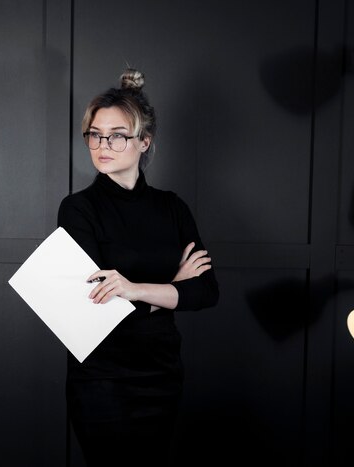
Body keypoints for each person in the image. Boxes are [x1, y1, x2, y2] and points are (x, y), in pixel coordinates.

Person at [57, 68, 219, 467]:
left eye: (116, 135)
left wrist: (133, 289)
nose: (102, 145)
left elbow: (207, 291)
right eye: (94, 134)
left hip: (161, 375)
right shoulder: (78, 209)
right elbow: (94, 309)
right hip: (101, 379)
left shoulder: (172, 207)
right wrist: (170, 288)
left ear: (144, 141)